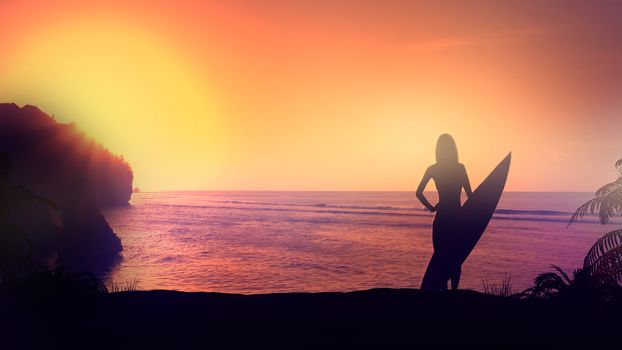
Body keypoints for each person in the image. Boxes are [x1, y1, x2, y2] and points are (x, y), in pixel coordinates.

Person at [416, 134, 472, 290]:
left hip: (441, 220)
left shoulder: (433, 169)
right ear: (453, 149)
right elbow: (471, 196)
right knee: (455, 257)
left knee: (441, 257)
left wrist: (432, 207)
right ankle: (453, 291)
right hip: (457, 218)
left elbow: (418, 192)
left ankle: (444, 290)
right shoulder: (460, 168)